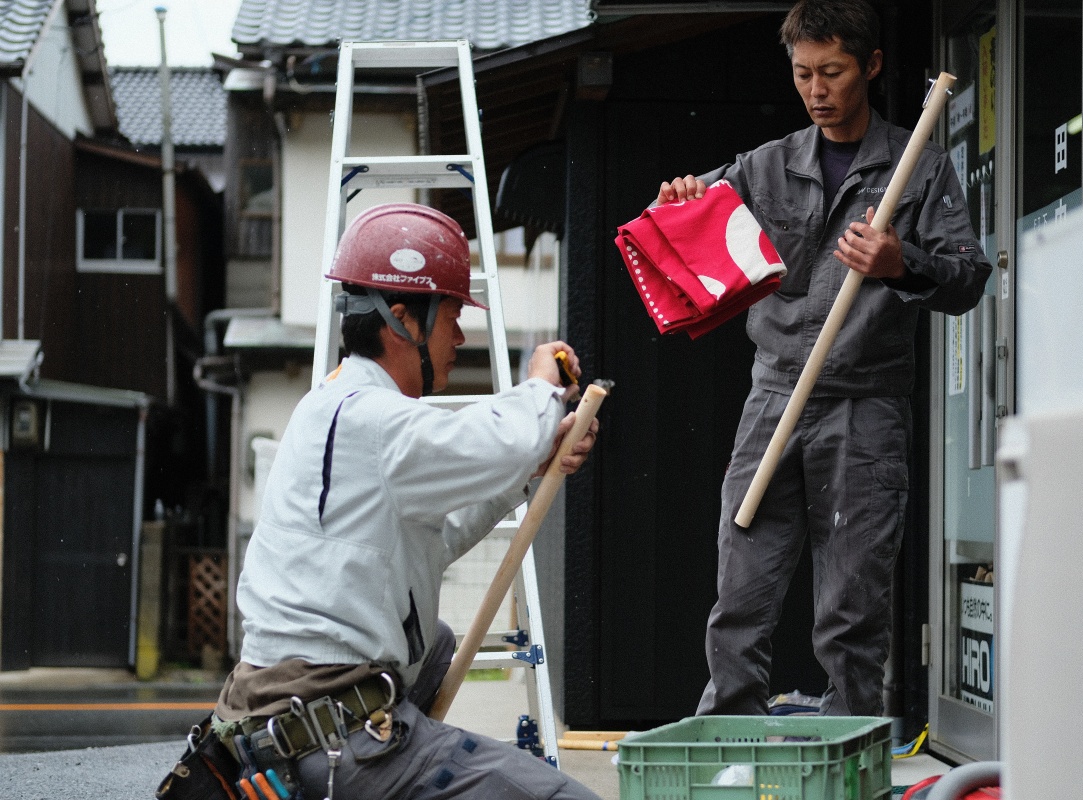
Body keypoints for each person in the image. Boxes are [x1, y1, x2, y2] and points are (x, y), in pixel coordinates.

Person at [657, 0, 991, 717]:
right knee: (742, 586)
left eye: (832, 72)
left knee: (852, 600)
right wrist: (682, 201)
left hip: (866, 406)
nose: (816, 89)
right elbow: (688, 236)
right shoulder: (764, 167)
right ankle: (729, 735)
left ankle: (851, 744)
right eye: (803, 73)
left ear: (869, 67)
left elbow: (969, 278)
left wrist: (903, 263)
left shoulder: (918, 167)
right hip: (773, 397)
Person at [211, 203, 601, 799]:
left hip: (288, 724)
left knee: (434, 639)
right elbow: (491, 439)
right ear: (402, 320)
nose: (460, 337)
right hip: (328, 740)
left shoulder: (336, 408)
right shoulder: (370, 420)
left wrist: (533, 468)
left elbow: (435, 536)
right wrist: (541, 387)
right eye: (451, 317)